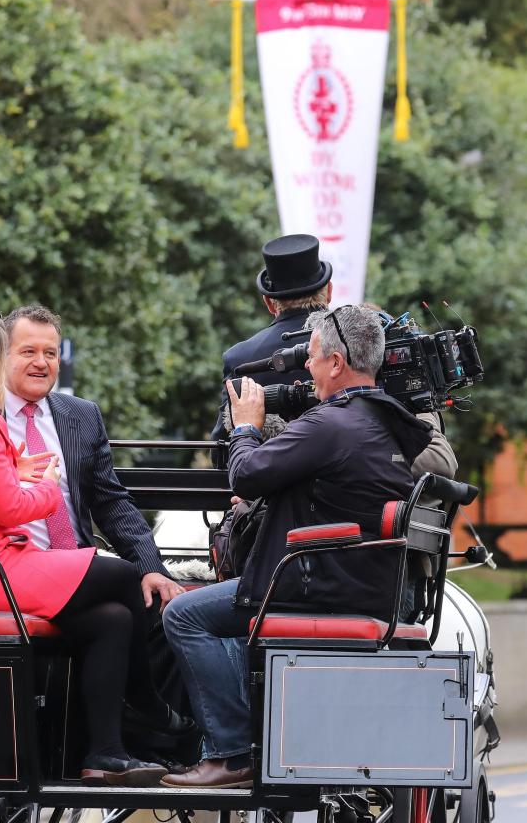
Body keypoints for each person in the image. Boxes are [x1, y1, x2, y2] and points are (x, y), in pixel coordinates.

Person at [0, 311, 189, 786]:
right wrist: (46, 486)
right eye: (24, 351)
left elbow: (110, 500)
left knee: (116, 616)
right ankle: (147, 705)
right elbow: (11, 505)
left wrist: (153, 565)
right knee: (122, 577)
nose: (41, 362)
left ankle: (105, 752)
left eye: (50, 353)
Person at [160, 305, 434, 788]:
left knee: (184, 615)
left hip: (316, 585)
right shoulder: (388, 420)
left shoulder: (332, 425)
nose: (305, 366)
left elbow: (245, 474)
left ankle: (231, 751)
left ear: (335, 363)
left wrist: (246, 426)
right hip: (372, 586)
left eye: (310, 356)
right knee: (220, 609)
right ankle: (253, 736)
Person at [210, 233, 332, 445]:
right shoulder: (358, 342)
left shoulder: (240, 358)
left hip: (271, 475)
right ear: (329, 291)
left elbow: (221, 447)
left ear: (268, 302)